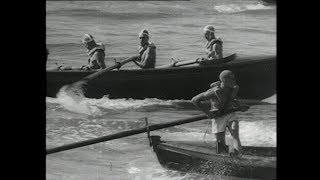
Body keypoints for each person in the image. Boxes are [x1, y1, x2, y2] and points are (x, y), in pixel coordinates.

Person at [191, 70, 248, 156]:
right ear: (225, 80)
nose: (235, 81)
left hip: (230, 114)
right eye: (232, 79)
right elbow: (194, 100)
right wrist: (207, 112)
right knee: (221, 143)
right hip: (218, 117)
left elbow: (234, 99)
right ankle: (223, 158)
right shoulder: (213, 92)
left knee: (235, 132)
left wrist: (240, 107)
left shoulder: (232, 89)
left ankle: (238, 157)